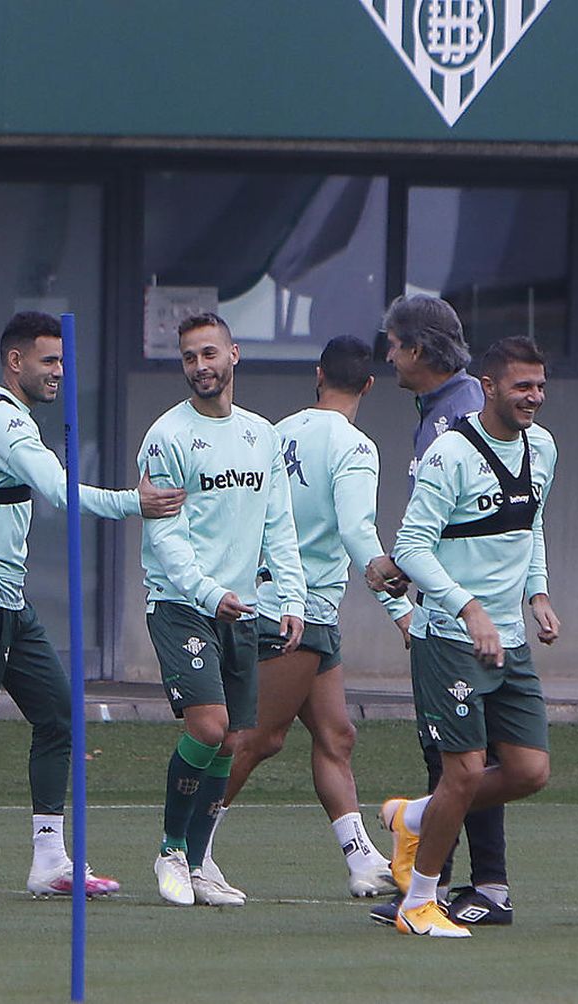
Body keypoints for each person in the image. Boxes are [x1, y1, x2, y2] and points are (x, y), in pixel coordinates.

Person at [0, 310, 184, 901]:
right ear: (15, 361)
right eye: (48, 361)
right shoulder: (3, 423)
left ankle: (50, 861)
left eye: (62, 360)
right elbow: (58, 491)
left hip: (7, 597)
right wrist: (138, 502)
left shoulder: (14, 418)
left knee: (59, 715)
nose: (59, 372)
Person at [204, 336, 410, 902]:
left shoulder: (275, 431)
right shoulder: (357, 447)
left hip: (283, 600)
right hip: (298, 608)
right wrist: (402, 609)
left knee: (336, 735)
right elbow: (357, 531)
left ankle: (362, 859)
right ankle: (188, 847)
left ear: (319, 375)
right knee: (256, 738)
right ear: (368, 385)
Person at [379, 335, 560, 938]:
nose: (533, 397)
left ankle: (414, 817)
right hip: (450, 638)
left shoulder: (543, 447)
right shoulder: (450, 453)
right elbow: (410, 548)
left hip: (510, 640)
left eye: (539, 385)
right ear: (488, 387)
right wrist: (469, 608)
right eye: (521, 386)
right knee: (462, 771)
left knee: (530, 770)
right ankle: (419, 905)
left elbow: (530, 527)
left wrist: (537, 593)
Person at [138, 312, 306, 908]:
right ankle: (171, 850)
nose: (200, 367)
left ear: (234, 354)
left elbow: (279, 523)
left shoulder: (263, 435)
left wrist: (291, 597)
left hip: (245, 607)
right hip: (184, 603)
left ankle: (202, 861)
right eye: (189, 357)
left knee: (234, 740)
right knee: (207, 727)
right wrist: (210, 593)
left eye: (209, 354)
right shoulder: (167, 436)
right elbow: (167, 536)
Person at [366, 294, 515, 926]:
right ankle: (445, 884)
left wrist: (395, 568)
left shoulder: (457, 418)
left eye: (393, 345)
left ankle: (476, 887)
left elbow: (467, 521)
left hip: (462, 614)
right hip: (449, 609)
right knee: (458, 755)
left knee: (464, 757)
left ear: (418, 350)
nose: (390, 357)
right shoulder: (439, 408)